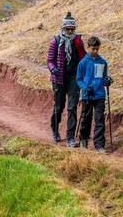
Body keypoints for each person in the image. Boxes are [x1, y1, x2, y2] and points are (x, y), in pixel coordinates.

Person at [47, 11, 86, 147]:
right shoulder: (55, 41)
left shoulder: (78, 41)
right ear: (63, 28)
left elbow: (83, 57)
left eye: (72, 29)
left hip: (74, 77)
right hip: (58, 78)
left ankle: (70, 137)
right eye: (67, 29)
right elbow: (50, 60)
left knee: (72, 107)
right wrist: (53, 69)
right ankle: (55, 129)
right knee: (59, 106)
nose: (70, 31)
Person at [76, 36, 113, 153]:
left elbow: (103, 77)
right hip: (87, 95)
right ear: (88, 47)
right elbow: (79, 79)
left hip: (99, 95)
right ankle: (83, 141)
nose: (95, 51)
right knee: (86, 119)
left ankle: (99, 145)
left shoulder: (102, 62)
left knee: (99, 120)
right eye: (93, 49)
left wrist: (106, 81)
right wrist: (84, 87)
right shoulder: (82, 63)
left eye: (97, 49)